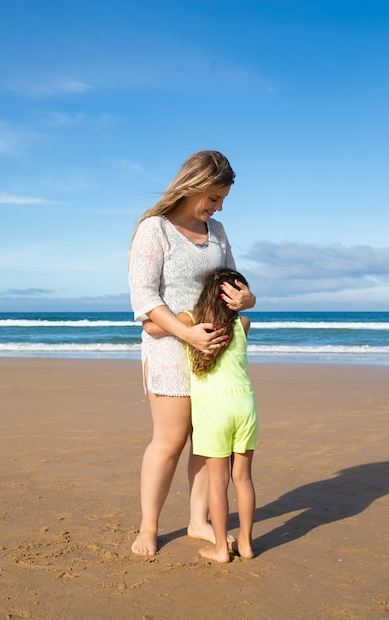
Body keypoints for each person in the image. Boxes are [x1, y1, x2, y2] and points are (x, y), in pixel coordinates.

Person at [128, 150, 256, 556]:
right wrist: (187, 333)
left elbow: (231, 281)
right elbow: (144, 298)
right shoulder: (155, 229)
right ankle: (149, 528)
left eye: (221, 201)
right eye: (214, 198)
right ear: (193, 186)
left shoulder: (217, 230)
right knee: (170, 439)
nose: (217, 208)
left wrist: (248, 299)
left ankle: (198, 521)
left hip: (213, 349)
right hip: (170, 345)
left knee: (209, 440)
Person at [144, 267, 258, 563]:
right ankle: (245, 544)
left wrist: (177, 323)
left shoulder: (192, 320)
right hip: (246, 407)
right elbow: (239, 318)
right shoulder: (243, 323)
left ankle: (221, 548)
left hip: (213, 411)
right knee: (243, 478)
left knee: (218, 482)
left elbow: (151, 328)